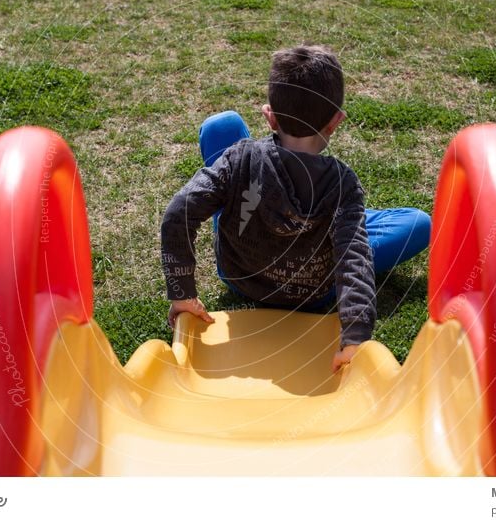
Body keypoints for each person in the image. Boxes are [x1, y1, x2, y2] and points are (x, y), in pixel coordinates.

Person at [160, 45, 431, 372]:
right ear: (335, 122)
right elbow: (353, 259)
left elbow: (178, 212)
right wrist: (354, 335)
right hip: (312, 295)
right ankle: (345, 224)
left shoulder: (237, 159)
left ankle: (342, 223)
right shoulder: (343, 184)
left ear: (269, 116)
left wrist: (182, 294)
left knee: (222, 126)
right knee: (417, 223)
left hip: (239, 275)